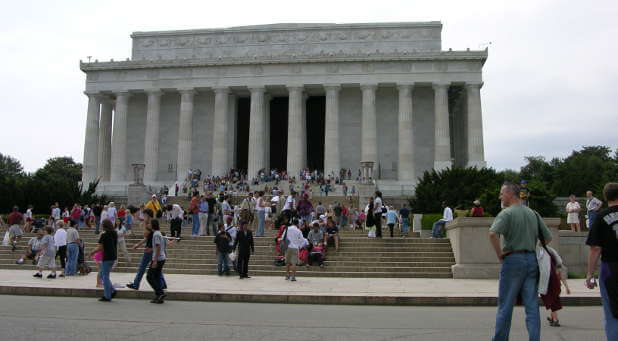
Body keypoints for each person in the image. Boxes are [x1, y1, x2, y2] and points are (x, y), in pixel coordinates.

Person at [488, 183, 552, 341]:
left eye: (502, 193)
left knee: (506, 305)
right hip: (531, 260)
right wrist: (532, 246)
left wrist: (500, 255)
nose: (500, 197)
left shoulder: (506, 213)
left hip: (513, 259)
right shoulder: (533, 213)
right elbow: (548, 237)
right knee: (531, 305)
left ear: (510, 194)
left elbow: (492, 234)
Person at [585, 182, 618, 339]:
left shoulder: (601, 217)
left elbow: (595, 248)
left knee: (612, 314)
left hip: (610, 267)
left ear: (605, 197)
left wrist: (590, 274)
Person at [126, 209, 166, 291]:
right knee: (156, 269)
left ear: (148, 215)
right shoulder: (152, 223)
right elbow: (146, 238)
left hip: (150, 250)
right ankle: (162, 284)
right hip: (151, 249)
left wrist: (144, 224)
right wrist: (138, 245)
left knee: (142, 268)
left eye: (144, 215)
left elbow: (145, 234)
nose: (143, 217)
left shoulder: (150, 225)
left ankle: (136, 284)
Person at [89, 219, 118, 302]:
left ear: (104, 226)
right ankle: (112, 289)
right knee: (104, 275)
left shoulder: (104, 235)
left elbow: (100, 247)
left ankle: (107, 296)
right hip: (113, 256)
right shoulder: (114, 233)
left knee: (105, 277)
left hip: (107, 257)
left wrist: (92, 252)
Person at [147, 219, 167, 304]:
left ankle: (160, 293)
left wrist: (154, 261)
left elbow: (158, 247)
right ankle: (158, 295)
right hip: (161, 258)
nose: (149, 225)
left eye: (150, 224)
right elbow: (157, 247)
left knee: (149, 276)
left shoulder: (156, 234)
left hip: (158, 259)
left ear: (153, 225)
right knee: (156, 276)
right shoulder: (158, 233)